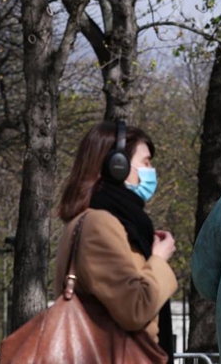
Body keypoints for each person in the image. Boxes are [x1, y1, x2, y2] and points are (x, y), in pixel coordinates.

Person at [53, 122, 177, 361]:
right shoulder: (99, 225)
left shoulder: (106, 223)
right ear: (116, 166)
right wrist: (159, 259)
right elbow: (134, 308)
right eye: (146, 162)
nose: (151, 171)